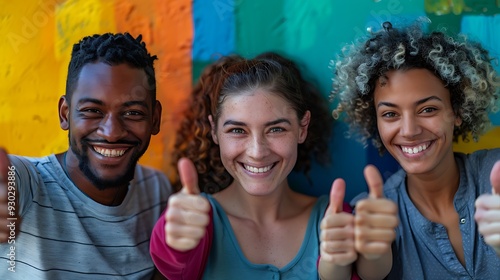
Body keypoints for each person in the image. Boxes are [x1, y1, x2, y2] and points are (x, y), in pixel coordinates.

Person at [149, 52, 393, 280]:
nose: (257, 152)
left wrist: (366, 258)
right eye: (237, 130)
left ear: (302, 127)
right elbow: (173, 262)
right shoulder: (191, 221)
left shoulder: (337, 219)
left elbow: (371, 271)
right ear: (214, 131)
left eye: (276, 129)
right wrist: (173, 239)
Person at [330, 19, 500, 279]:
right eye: (390, 114)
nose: (409, 130)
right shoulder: (372, 213)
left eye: (428, 109)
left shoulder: (495, 174)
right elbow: (371, 269)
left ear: (456, 112)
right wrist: (344, 262)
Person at [0, 32, 173, 279]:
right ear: (65, 114)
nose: (112, 133)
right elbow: (8, 180)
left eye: (132, 113)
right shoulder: (29, 185)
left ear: (155, 119)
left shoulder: (157, 192)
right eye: (92, 110)